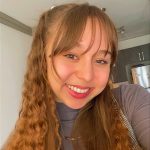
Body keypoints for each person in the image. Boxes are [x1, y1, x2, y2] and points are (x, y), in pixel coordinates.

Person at [2, 3, 150, 150]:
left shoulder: (130, 101)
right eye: (71, 55)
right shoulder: (23, 138)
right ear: (42, 59)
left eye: (100, 61)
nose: (87, 76)